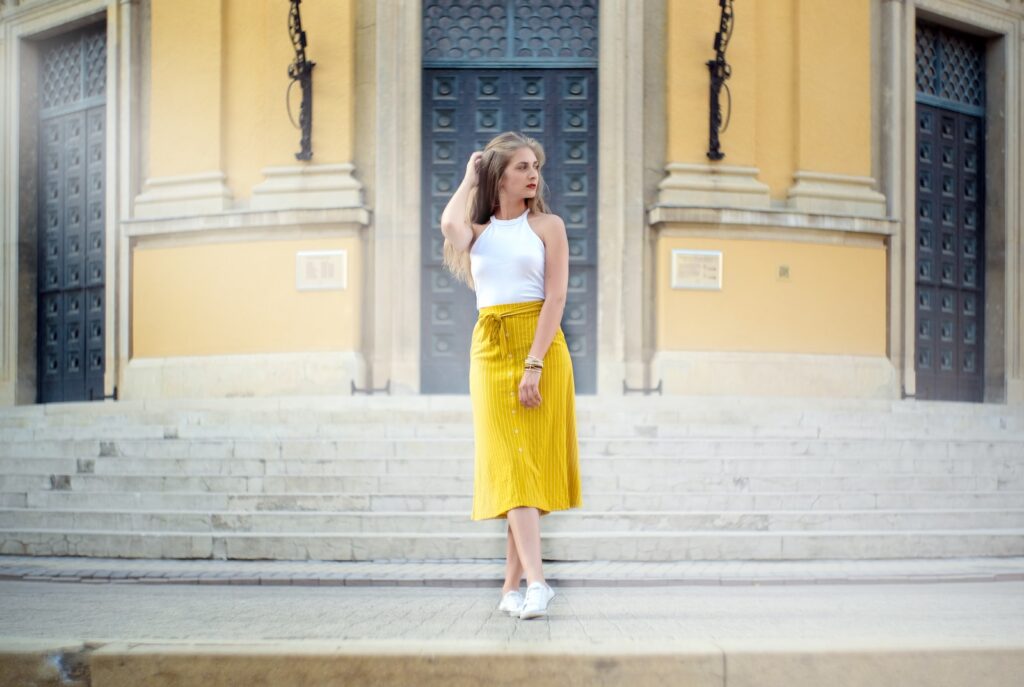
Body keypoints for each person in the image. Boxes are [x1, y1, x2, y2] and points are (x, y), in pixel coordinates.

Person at [439, 131, 583, 620]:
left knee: (523, 465)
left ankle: (532, 584)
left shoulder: (548, 225)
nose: (533, 173)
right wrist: (467, 176)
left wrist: (535, 364)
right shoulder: (478, 233)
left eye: (534, 166)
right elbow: (449, 224)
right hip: (489, 346)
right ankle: (517, 586)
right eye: (522, 166)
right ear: (498, 176)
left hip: (538, 343)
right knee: (510, 463)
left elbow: (556, 298)